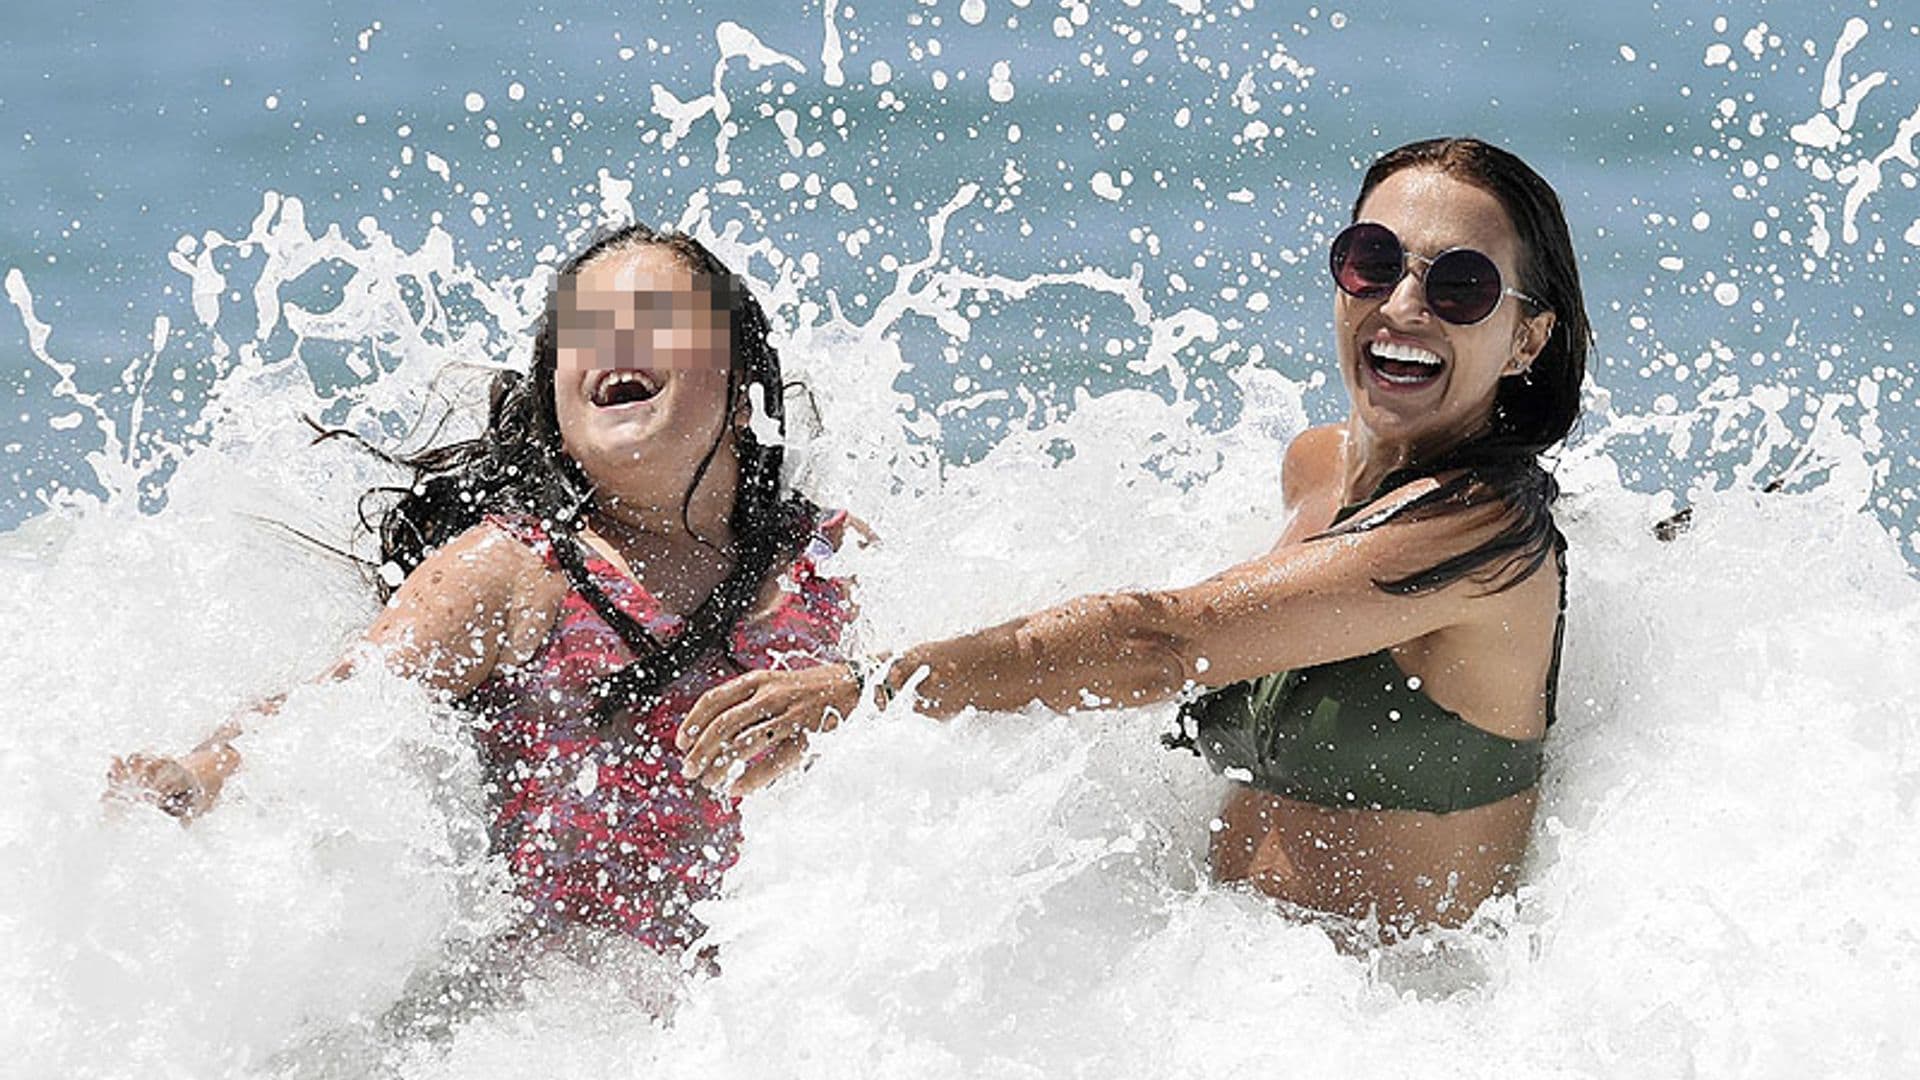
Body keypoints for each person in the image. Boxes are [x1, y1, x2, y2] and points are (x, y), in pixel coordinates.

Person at [677, 136, 1589, 937]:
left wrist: (874, 689)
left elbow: (1162, 642)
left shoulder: (1482, 536)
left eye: (1462, 285)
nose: (1403, 303)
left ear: (1525, 340)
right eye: (1372, 260)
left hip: (1399, 1028)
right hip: (1218, 999)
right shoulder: (1316, 467)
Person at [108, 223, 857, 957]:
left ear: (742, 384)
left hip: (770, 1014)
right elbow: (336, 704)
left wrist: (861, 688)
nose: (615, 343)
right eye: (584, 332)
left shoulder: (829, 558)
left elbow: (967, 667)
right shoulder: (513, 571)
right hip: (563, 1020)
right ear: (558, 414)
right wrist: (196, 776)